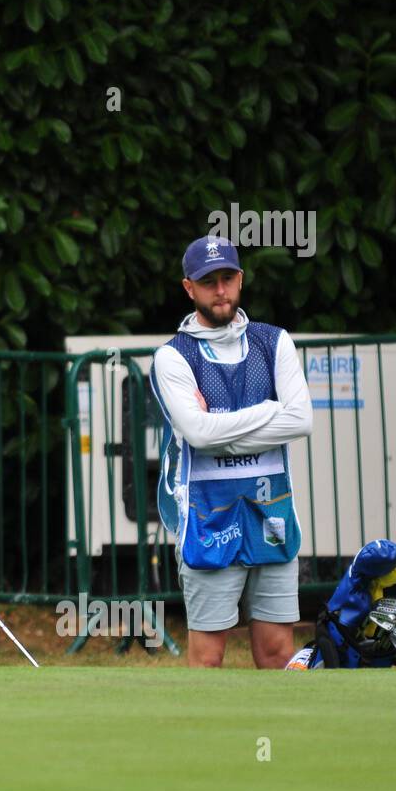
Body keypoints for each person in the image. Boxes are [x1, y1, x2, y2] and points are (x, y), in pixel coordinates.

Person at [150, 237, 313, 668]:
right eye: (208, 282)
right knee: (207, 659)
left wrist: (217, 430)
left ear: (240, 279)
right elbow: (198, 435)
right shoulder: (172, 357)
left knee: (278, 652)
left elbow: (301, 421)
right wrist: (269, 411)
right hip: (207, 520)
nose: (220, 290)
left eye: (227, 278)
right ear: (189, 288)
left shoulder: (274, 341)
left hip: (273, 515)